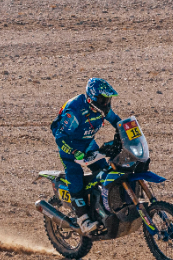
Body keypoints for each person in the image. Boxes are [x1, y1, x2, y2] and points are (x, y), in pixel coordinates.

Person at [50, 77, 121, 233]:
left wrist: (125, 132)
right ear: (92, 98)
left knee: (106, 172)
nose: (106, 102)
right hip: (71, 148)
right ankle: (83, 220)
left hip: (88, 144)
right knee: (75, 178)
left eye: (108, 99)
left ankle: (103, 207)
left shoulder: (102, 109)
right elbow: (60, 137)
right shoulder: (75, 111)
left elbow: (116, 120)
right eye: (103, 99)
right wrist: (74, 152)